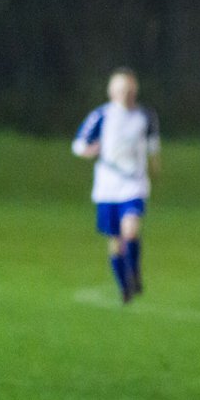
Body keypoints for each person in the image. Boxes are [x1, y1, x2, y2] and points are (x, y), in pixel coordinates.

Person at [71, 67, 161, 303]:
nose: (125, 94)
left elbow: (153, 145)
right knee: (115, 241)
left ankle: (134, 272)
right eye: (121, 89)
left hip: (133, 183)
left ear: (135, 91)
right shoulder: (101, 116)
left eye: (129, 89)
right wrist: (89, 150)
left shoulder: (145, 116)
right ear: (111, 91)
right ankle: (125, 288)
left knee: (130, 231)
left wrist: (155, 166)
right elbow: (78, 144)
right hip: (107, 187)